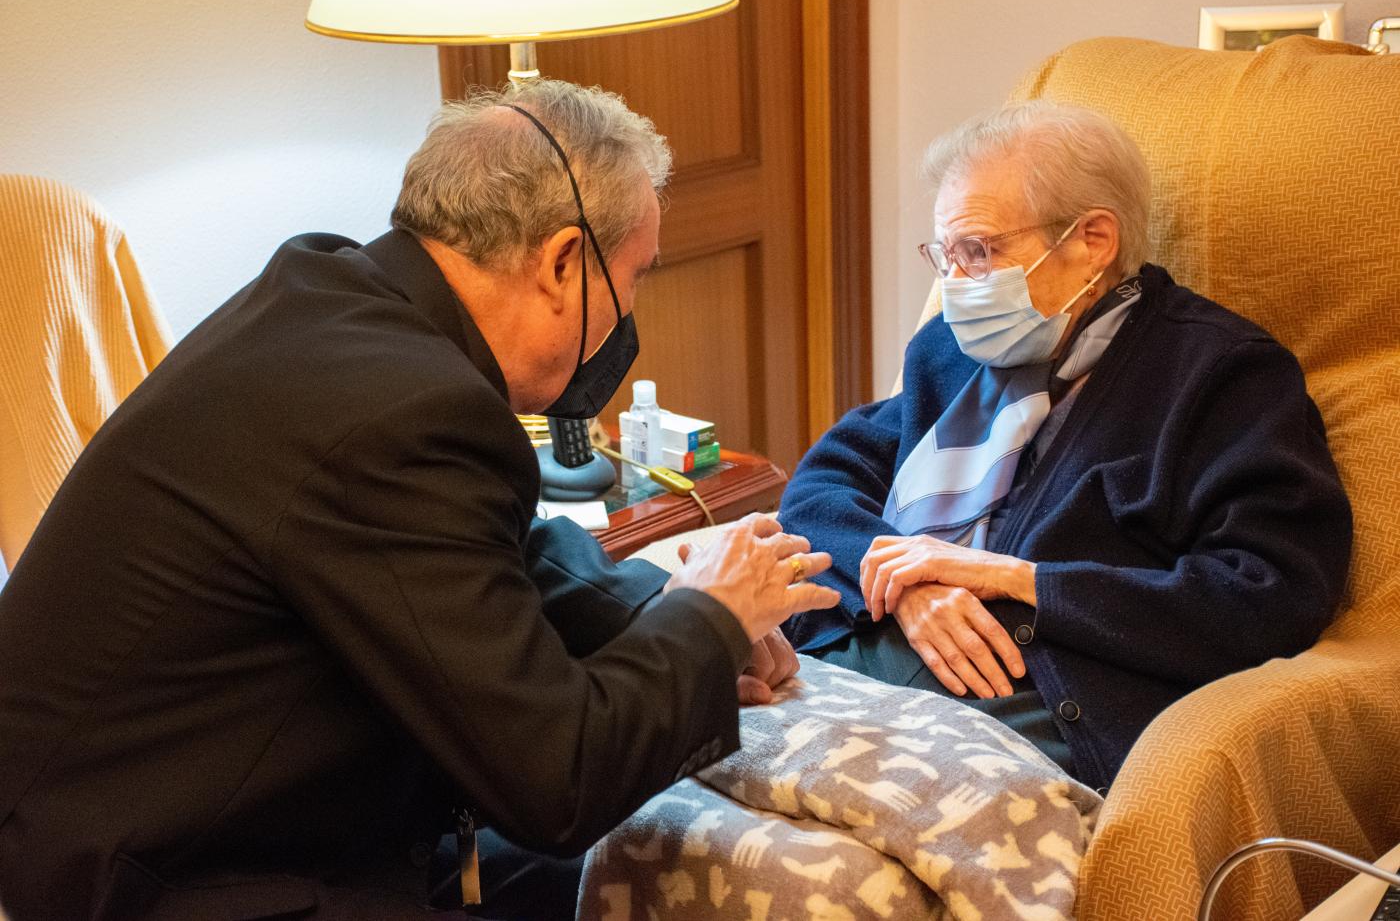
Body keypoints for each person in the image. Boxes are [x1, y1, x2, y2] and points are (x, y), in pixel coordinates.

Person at [0, 80, 838, 920]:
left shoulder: (331, 289)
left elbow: (494, 554)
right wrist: (707, 618)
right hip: (149, 874)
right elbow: (558, 781)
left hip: (132, 810)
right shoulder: (407, 412)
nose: (628, 312)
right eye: (633, 277)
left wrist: (660, 607)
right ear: (562, 263)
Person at [779, 100, 1352, 793]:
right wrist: (902, 579)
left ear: (1093, 241)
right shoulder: (951, 352)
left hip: (1033, 694)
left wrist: (1017, 578)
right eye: (947, 254)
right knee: (685, 738)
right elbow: (823, 485)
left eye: (980, 251)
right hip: (862, 642)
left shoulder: (1221, 375)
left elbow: (1271, 594)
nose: (954, 286)